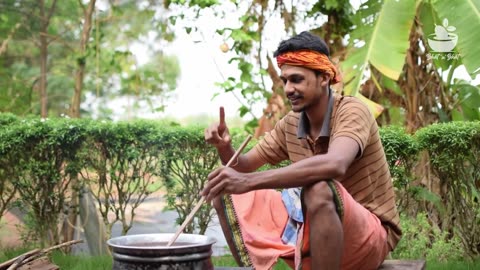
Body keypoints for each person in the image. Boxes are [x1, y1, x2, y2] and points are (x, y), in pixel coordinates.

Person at [202, 31, 401, 270]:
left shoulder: (351, 110)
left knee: (319, 188)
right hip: (309, 229)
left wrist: (248, 181)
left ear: (324, 78)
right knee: (224, 188)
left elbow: (334, 164)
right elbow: (242, 166)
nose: (288, 89)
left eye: (296, 79)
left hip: (368, 237)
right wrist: (225, 148)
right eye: (285, 80)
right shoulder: (291, 123)